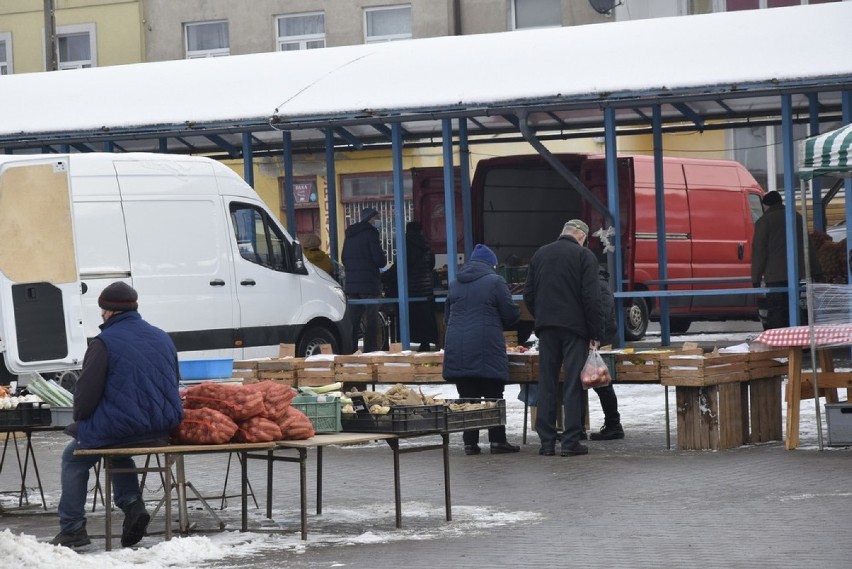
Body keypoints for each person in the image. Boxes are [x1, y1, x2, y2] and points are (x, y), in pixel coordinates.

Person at [51, 282, 184, 548]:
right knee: (117, 449)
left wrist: (79, 418)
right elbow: (175, 380)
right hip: (161, 429)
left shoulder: (104, 343)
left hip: (122, 429)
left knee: (73, 456)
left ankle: (73, 529)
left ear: (108, 311)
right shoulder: (161, 336)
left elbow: (86, 396)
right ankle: (133, 506)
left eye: (102, 310)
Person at [523, 219, 602, 457]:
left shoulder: (540, 254)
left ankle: (547, 443)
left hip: (547, 329)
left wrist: (543, 317)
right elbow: (591, 298)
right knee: (572, 383)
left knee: (547, 382)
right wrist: (595, 333)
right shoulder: (584, 256)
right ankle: (570, 442)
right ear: (582, 237)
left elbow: (528, 294)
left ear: (564, 233)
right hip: (574, 330)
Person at [443, 243, 521, 455]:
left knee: (467, 395)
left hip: (457, 344)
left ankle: (470, 443)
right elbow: (511, 315)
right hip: (487, 343)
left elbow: (447, 317)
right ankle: (497, 441)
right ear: (491, 264)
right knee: (493, 393)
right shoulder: (495, 282)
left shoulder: (455, 283)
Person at [751, 191, 821, 329]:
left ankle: (779, 344)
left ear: (766, 205)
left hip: (774, 275)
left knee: (777, 310)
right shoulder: (797, 218)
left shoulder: (764, 221)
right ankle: (798, 341)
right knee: (793, 307)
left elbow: (759, 251)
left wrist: (756, 277)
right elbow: (807, 245)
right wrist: (816, 270)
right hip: (795, 272)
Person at [583, 269, 625, 440]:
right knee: (597, 384)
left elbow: (603, 316)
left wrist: (594, 338)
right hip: (598, 341)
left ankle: (614, 424)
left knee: (602, 384)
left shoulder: (599, 286)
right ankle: (611, 424)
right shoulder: (596, 284)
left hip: (602, 343)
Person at [341, 207, 387, 353]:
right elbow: (380, 261)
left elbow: (344, 258)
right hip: (369, 285)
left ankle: (352, 351)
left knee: (354, 322)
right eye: (376, 218)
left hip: (352, 286)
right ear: (370, 219)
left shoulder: (350, 235)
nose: (377, 221)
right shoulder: (371, 234)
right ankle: (369, 352)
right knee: (371, 321)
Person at [403, 221, 440, 351]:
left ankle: (408, 343)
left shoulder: (405, 244)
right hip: (426, 288)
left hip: (411, 287)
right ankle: (426, 343)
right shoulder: (426, 244)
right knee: (426, 318)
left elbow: (403, 266)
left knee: (412, 318)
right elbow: (431, 264)